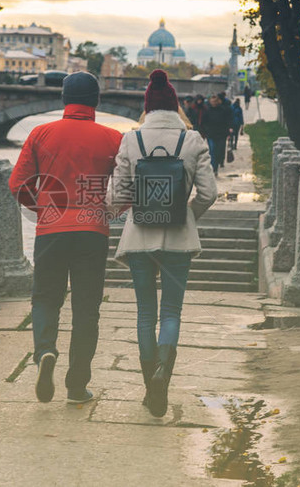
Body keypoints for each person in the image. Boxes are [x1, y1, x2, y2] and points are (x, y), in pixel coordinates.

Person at [9, 71, 123, 405]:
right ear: (96, 101)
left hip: (51, 230)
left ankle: (45, 351)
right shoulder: (113, 138)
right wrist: (108, 212)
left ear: (63, 99)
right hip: (92, 232)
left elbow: (18, 185)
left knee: (45, 298)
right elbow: (125, 189)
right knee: (87, 309)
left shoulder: (40, 133)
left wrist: (45, 208)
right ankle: (76, 385)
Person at [109, 69, 217, 417]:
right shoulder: (193, 140)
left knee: (145, 313)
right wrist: (187, 217)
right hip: (177, 241)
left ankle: (148, 388)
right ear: (175, 106)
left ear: (147, 107)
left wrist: (133, 207)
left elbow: (117, 195)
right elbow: (209, 193)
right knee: (171, 312)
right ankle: (162, 378)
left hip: (139, 236)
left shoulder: (130, 140)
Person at [200, 93, 232, 175]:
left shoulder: (223, 110)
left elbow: (227, 121)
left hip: (221, 134)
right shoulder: (207, 111)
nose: (213, 103)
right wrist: (206, 131)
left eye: (215, 101)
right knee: (212, 151)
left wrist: (228, 131)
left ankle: (217, 164)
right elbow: (203, 122)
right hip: (211, 134)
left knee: (219, 150)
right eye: (212, 101)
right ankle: (213, 168)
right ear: (210, 102)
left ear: (218, 102)